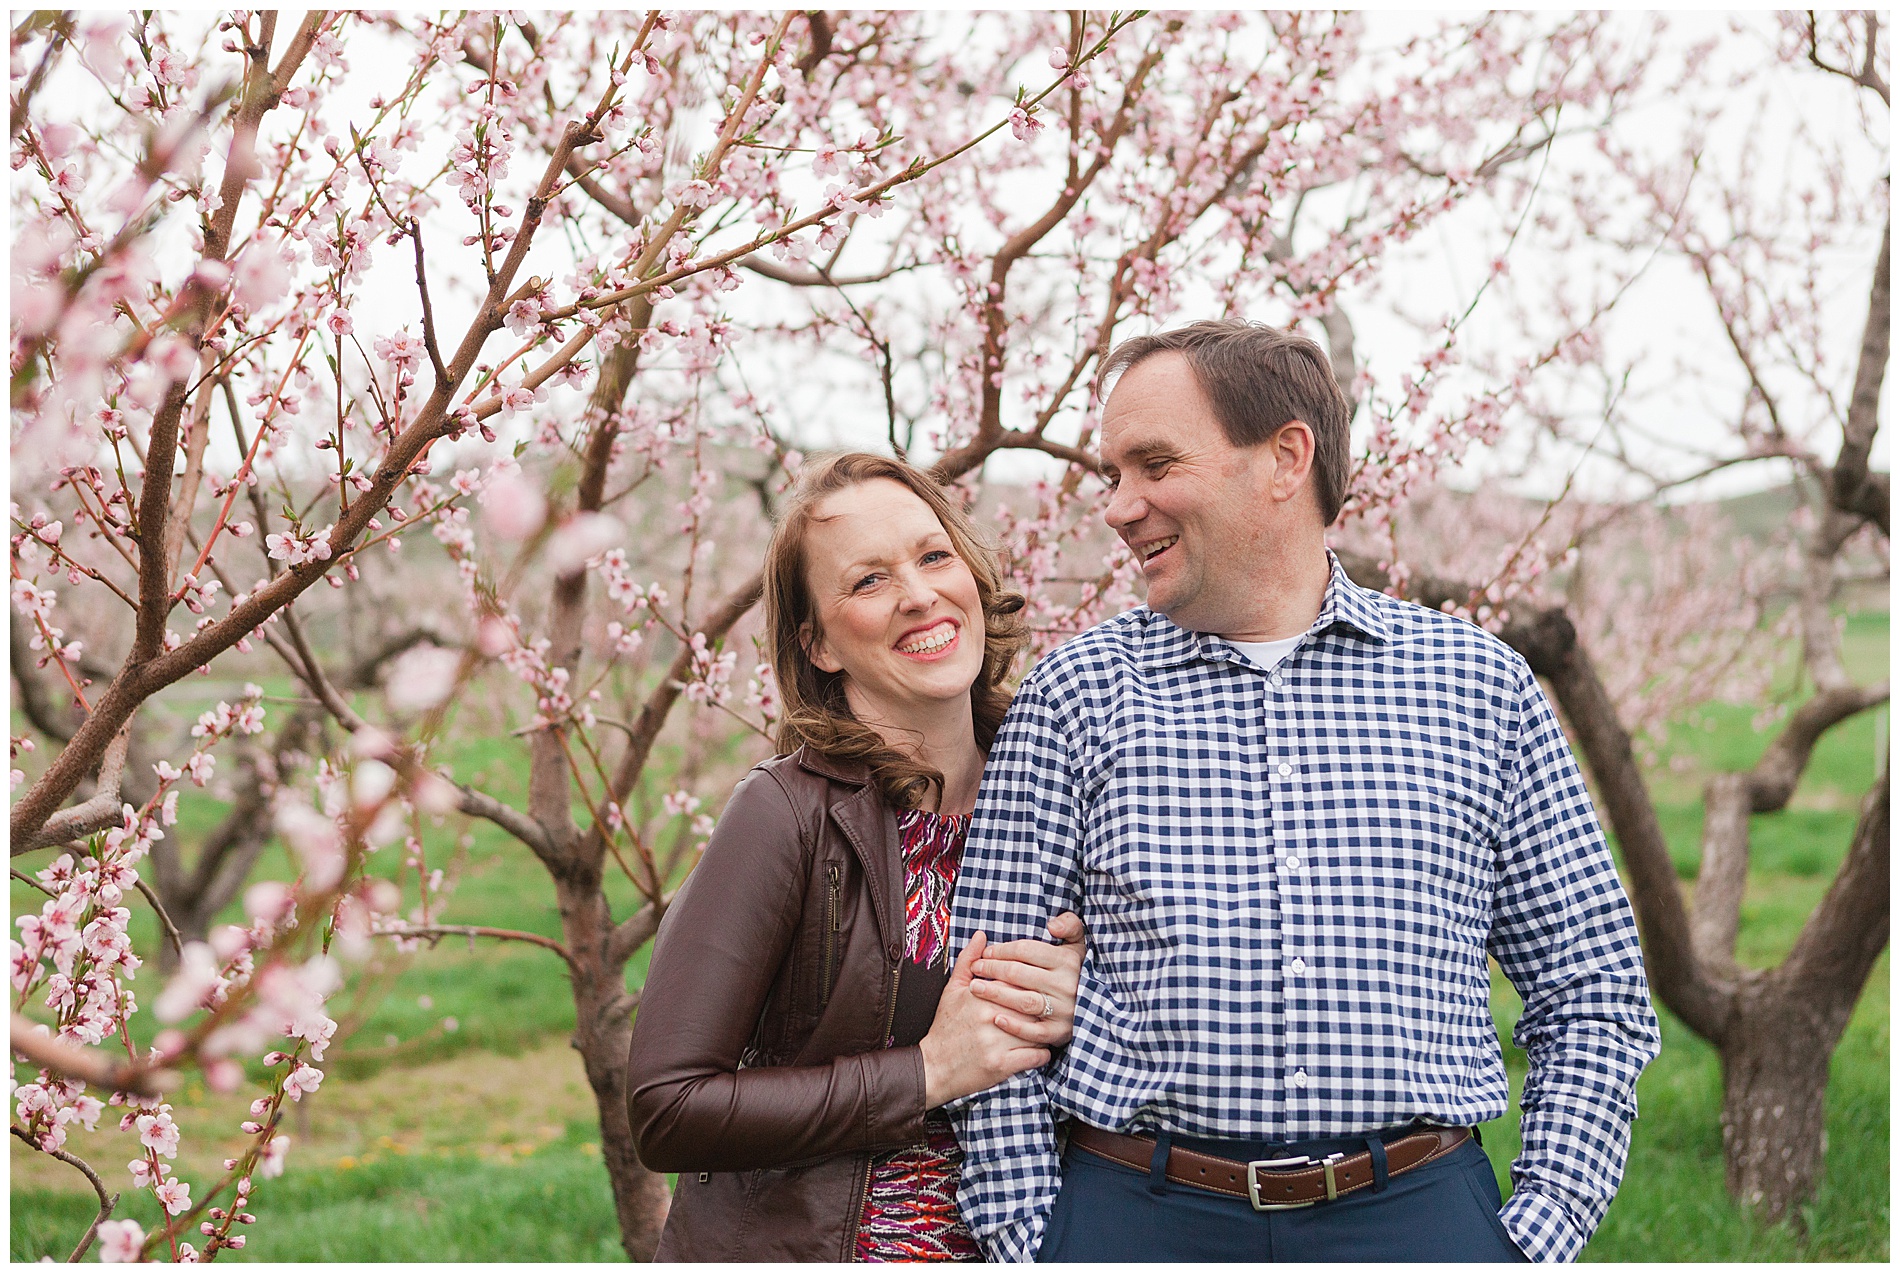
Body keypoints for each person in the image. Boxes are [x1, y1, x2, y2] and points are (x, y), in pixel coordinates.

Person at [945, 320, 1661, 1263]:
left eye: (1154, 464)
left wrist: (1531, 1236)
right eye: (1112, 474)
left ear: (1286, 457)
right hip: (1137, 1216)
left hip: (1420, 1219)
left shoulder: (1478, 688)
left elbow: (1591, 990)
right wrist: (1030, 1238)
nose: (1120, 507)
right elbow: (987, 997)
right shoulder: (1075, 695)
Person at [626, 452, 1087, 1262]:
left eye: (933, 555)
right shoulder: (786, 813)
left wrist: (1098, 992)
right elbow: (668, 1106)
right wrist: (926, 1073)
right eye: (868, 582)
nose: (918, 594)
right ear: (820, 643)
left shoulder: (1062, 780)